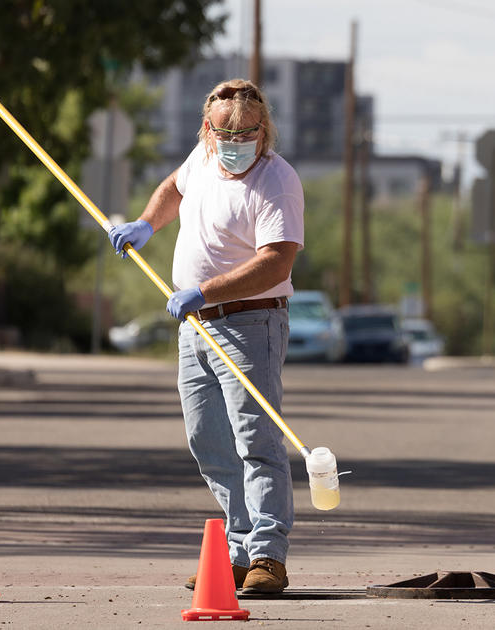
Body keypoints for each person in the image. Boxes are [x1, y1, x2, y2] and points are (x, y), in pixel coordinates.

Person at [108, 78, 305, 594]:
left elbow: (276, 261)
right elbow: (173, 188)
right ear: (207, 129)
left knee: (256, 440)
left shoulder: (276, 181)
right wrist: (147, 225)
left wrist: (206, 290)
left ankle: (267, 554)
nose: (236, 142)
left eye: (247, 133)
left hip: (250, 322)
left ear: (265, 132)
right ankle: (237, 550)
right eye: (226, 132)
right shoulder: (201, 158)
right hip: (195, 327)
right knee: (207, 440)